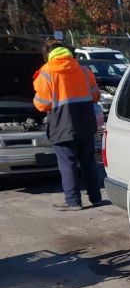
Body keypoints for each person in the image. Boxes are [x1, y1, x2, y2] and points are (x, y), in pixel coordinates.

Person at [32, 39, 105, 211]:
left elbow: (42, 104)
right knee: (89, 162)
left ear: (47, 55)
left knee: (67, 163)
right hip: (86, 123)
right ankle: (96, 198)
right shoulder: (85, 71)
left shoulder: (46, 73)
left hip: (62, 125)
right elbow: (95, 96)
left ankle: (73, 201)